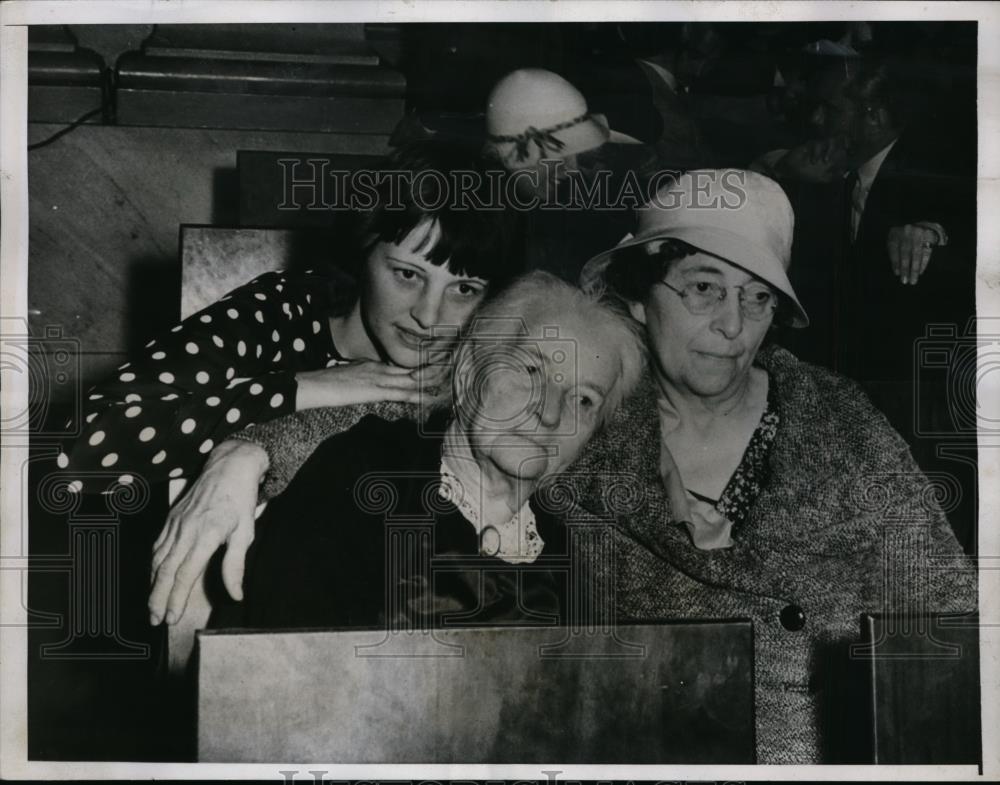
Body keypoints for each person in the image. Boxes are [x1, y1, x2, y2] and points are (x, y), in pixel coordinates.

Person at [572, 169, 977, 763]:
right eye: (704, 288)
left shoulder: (841, 420)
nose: (733, 326)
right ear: (636, 295)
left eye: (757, 296)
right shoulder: (583, 431)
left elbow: (948, 616)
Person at [51, 140, 522, 622]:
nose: (429, 315)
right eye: (406, 274)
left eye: (464, 289)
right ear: (364, 254)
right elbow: (82, 445)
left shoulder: (490, 363)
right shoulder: (284, 310)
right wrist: (305, 387)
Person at [232, 271, 647, 630]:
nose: (552, 414)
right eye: (531, 370)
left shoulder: (571, 552)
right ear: (469, 373)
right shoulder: (364, 475)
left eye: (585, 400)